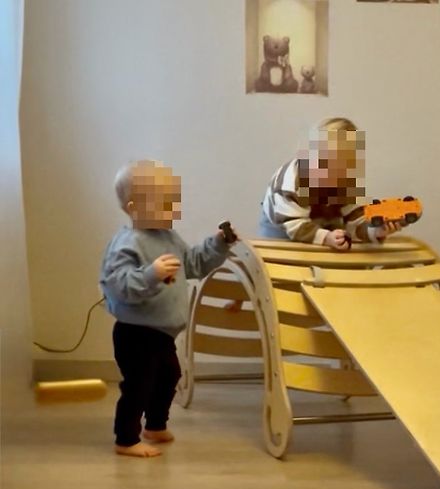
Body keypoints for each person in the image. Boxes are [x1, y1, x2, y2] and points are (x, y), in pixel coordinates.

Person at [100, 160, 236, 457]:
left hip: (163, 332)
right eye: (164, 202)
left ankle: (155, 425)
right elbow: (118, 285)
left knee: (168, 377)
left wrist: (217, 245)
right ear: (134, 207)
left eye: (174, 199)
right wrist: (151, 274)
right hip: (135, 332)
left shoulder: (169, 237)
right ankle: (126, 439)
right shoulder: (127, 243)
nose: (173, 207)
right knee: (138, 385)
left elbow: (193, 265)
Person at [258, 116, 405, 250]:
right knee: (281, 262)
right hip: (281, 230)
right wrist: (326, 237)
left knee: (346, 250)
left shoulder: (344, 181)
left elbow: (355, 220)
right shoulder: (291, 182)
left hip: (323, 225)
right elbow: (293, 224)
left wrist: (375, 230)